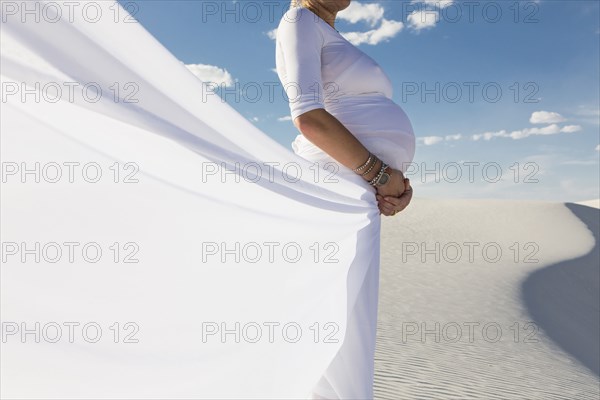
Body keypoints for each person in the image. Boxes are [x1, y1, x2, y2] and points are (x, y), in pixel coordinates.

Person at [275, 0, 416, 398]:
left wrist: (397, 185)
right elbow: (307, 115)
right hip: (336, 185)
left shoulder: (329, 33)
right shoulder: (299, 19)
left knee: (351, 319)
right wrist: (380, 173)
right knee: (337, 323)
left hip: (363, 191)